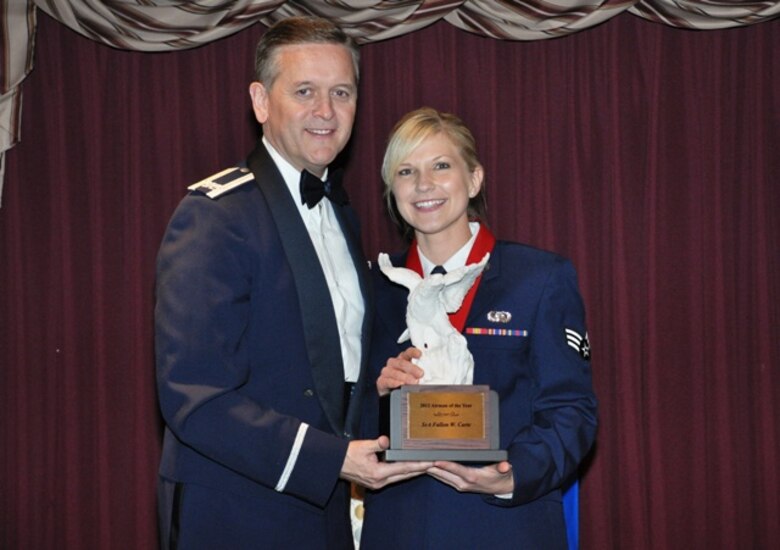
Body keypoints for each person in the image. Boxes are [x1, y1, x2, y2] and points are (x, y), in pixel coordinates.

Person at [154, 17, 429, 549]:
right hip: (237, 512)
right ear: (260, 101)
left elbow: (317, 369)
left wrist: (377, 388)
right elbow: (194, 395)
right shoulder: (214, 216)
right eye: (305, 91)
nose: (325, 111)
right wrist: (330, 460)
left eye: (341, 92)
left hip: (323, 509)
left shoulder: (343, 213)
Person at [359, 107, 598, 549]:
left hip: (506, 526)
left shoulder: (539, 279)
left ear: (474, 179)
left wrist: (508, 475)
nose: (424, 184)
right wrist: (375, 396)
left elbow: (571, 411)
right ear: (393, 190)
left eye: (441, 166)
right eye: (406, 171)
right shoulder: (371, 290)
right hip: (399, 528)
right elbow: (336, 417)